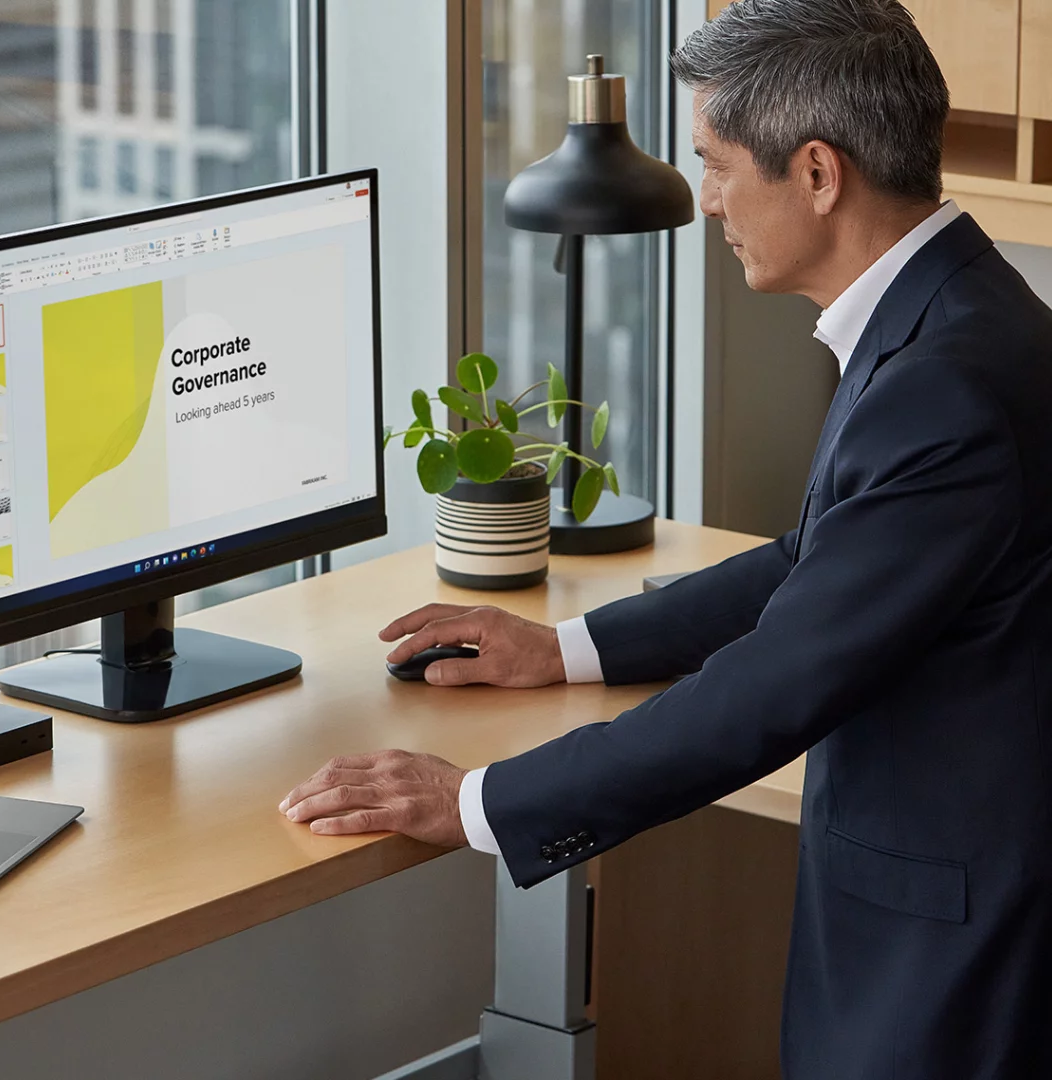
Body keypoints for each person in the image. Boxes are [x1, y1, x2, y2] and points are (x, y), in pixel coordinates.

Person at [279, 1, 1052, 1076]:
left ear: (819, 174)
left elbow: (777, 685)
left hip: (954, 946)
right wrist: (565, 650)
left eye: (718, 164)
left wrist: (479, 801)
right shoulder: (961, 310)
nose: (707, 203)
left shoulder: (945, 386)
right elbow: (816, 559)